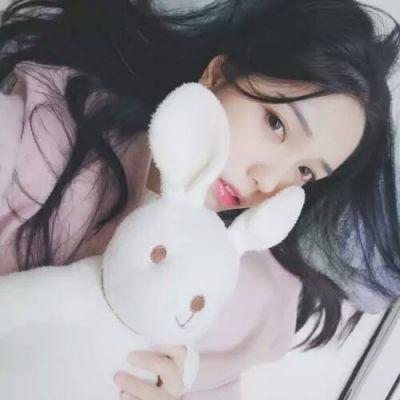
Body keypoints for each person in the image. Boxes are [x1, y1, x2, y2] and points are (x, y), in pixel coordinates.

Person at [0, 0, 399, 398]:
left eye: (305, 171)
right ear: (216, 75)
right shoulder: (35, 136)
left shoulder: (247, 305)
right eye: (275, 123)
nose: (267, 181)